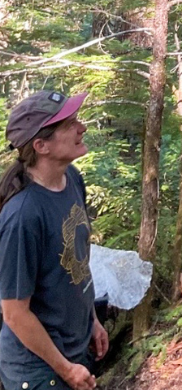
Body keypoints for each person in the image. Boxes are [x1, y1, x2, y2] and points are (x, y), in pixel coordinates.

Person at [0, 90, 109, 390]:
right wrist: (66, 370)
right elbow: (14, 313)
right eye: (69, 124)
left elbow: (77, 261)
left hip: (73, 349)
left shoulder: (72, 178)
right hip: (38, 370)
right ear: (41, 145)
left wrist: (92, 321)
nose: (81, 128)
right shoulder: (23, 215)